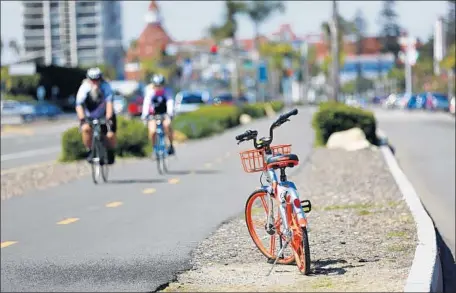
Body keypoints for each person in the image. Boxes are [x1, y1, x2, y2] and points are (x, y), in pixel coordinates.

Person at [75, 67, 117, 164]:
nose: (95, 82)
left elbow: (109, 103)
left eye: (97, 79)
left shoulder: (106, 86)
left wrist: (108, 117)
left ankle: (110, 152)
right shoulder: (84, 88)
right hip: (89, 116)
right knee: (85, 129)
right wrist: (82, 118)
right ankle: (90, 151)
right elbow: (79, 105)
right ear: (88, 79)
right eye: (92, 80)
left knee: (110, 135)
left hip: (104, 114)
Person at [141, 74, 175, 155]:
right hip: (153, 114)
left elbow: (170, 102)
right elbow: (146, 104)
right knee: (152, 131)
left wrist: (170, 113)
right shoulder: (150, 93)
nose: (158, 87)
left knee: (167, 125)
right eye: (156, 85)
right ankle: (154, 148)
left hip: (164, 113)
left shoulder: (167, 91)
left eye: (160, 85)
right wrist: (145, 115)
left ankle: (170, 145)